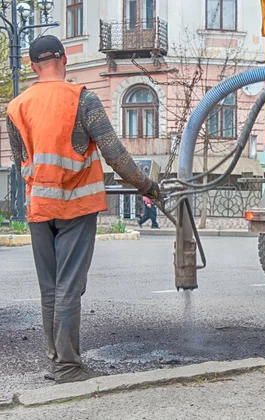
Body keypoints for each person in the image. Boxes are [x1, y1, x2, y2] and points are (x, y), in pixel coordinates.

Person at [6, 35, 162, 384]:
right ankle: (67, 367)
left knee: (50, 288)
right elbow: (114, 153)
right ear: (63, 59)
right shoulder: (83, 98)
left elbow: (21, 162)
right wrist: (146, 185)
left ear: (32, 66)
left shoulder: (16, 107)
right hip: (76, 205)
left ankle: (56, 360)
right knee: (69, 286)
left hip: (39, 207)